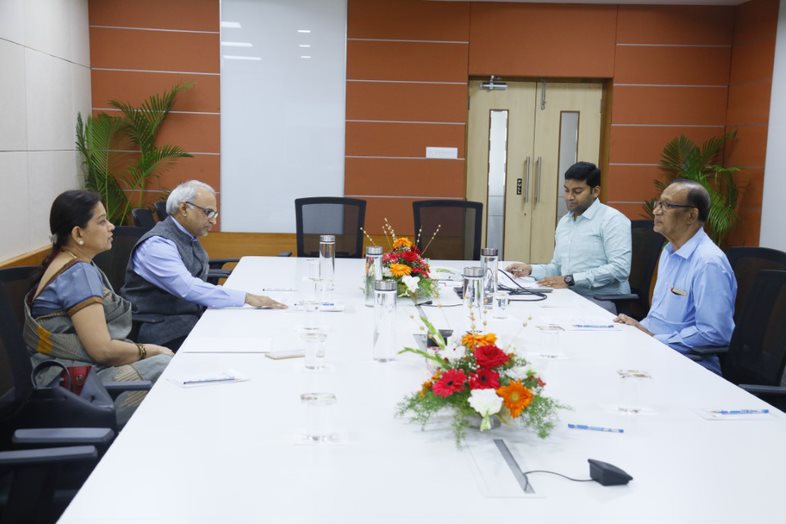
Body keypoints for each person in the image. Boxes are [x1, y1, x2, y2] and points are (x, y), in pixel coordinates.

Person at [23, 190, 174, 426]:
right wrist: (151, 350)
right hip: (71, 388)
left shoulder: (69, 264)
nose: (111, 227)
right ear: (78, 233)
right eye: (102, 221)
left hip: (59, 381)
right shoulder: (78, 273)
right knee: (168, 367)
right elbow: (102, 350)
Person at [122, 180, 286, 350]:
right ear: (184, 208)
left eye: (214, 214)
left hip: (188, 319)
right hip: (161, 329)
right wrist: (247, 298)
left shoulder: (188, 236)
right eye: (208, 212)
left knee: (248, 328)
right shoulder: (157, 245)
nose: (213, 221)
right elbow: (187, 287)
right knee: (237, 343)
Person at [614, 180, 737, 375]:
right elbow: (659, 318)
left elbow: (716, 333)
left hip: (690, 365)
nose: (656, 211)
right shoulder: (668, 252)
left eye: (667, 205)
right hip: (655, 351)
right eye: (658, 203)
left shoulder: (708, 262)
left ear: (691, 215)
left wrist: (655, 339)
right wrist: (636, 327)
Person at [505, 162, 631, 304]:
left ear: (595, 191)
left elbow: (620, 269)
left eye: (577, 191)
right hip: (570, 295)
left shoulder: (612, 220)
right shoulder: (565, 222)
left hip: (604, 300)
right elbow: (558, 268)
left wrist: (570, 280)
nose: (569, 197)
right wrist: (530, 270)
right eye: (566, 190)